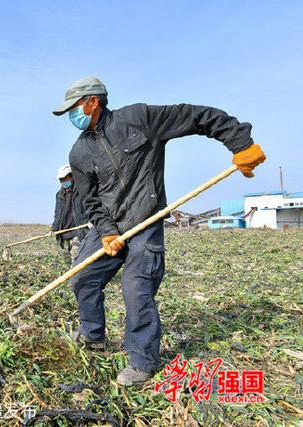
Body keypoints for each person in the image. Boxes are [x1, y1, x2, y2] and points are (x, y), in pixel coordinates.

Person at [52, 76, 266, 386]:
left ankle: (141, 361)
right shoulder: (79, 153)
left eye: (73, 108)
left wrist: (240, 143)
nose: (71, 116)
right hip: (111, 229)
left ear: (92, 101)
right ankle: (93, 335)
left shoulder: (139, 119)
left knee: (136, 288)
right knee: (83, 276)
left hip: (145, 222)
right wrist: (107, 231)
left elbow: (197, 116)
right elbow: (91, 201)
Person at [51, 164, 82, 264]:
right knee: (66, 257)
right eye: (61, 180)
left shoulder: (81, 191)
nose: (64, 181)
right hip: (63, 231)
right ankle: (70, 275)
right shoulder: (59, 195)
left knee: (75, 253)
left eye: (65, 178)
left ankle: (77, 276)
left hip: (78, 229)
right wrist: (54, 228)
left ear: (72, 176)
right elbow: (57, 213)